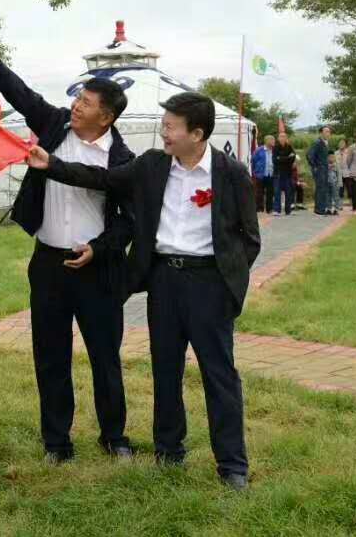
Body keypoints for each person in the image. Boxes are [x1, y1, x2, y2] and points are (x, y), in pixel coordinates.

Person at [27, 92, 261, 491]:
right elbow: (102, 179)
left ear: (197, 134)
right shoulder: (152, 165)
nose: (163, 133)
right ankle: (168, 452)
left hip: (208, 283)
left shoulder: (231, 173)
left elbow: (249, 237)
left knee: (219, 374)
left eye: (171, 127)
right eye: (163, 124)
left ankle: (232, 465)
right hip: (163, 281)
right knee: (165, 369)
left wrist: (227, 283)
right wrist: (53, 165)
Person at [0, 35, 137, 464]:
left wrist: (99, 249)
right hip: (48, 262)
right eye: (78, 98)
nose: (76, 105)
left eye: (85, 102)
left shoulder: (122, 160)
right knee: (50, 355)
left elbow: (129, 221)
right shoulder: (54, 126)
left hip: (97, 269)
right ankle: (56, 442)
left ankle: (114, 436)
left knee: (105, 356)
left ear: (106, 117)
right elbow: (21, 94)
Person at [307, 126, 333, 215]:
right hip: (320, 170)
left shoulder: (325, 143)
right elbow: (309, 155)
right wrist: (315, 166)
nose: (328, 133)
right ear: (321, 133)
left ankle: (322, 208)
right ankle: (319, 210)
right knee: (320, 189)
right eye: (326, 131)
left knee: (323, 189)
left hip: (325, 169)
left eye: (329, 132)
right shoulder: (318, 143)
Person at [272, 133, 297, 215]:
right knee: (277, 192)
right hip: (278, 173)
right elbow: (275, 160)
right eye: (281, 137)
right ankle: (277, 210)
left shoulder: (289, 147)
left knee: (288, 192)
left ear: (286, 138)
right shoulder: (275, 147)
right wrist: (287, 158)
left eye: (284, 137)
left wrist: (282, 158)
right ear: (278, 138)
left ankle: (288, 210)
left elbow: (293, 158)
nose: (283, 138)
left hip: (288, 173)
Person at [251, 135, 276, 217]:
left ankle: (269, 209)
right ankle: (259, 208)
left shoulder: (274, 150)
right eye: (272, 140)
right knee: (259, 192)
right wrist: (255, 171)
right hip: (260, 174)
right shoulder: (259, 150)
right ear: (267, 141)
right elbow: (253, 160)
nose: (274, 142)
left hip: (270, 174)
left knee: (270, 192)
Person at [326, 137, 345, 215]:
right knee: (328, 196)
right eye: (329, 157)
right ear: (327, 158)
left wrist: (340, 183)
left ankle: (336, 209)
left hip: (335, 183)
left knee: (336, 196)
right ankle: (329, 208)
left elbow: (339, 174)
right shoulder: (325, 165)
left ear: (334, 157)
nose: (331, 158)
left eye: (332, 157)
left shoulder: (336, 165)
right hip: (327, 183)